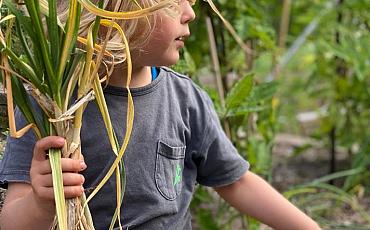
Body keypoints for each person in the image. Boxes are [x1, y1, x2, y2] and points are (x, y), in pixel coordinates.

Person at [0, 0, 320, 229]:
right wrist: (41, 203)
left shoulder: (185, 99)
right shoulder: (51, 109)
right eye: (174, 3)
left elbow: (236, 182)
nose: (190, 13)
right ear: (114, 12)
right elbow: (12, 221)